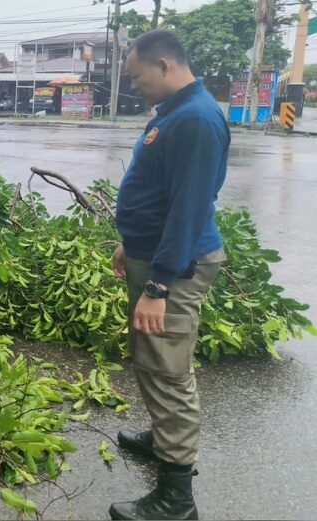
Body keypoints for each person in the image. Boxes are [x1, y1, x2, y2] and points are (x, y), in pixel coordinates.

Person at [109, 31, 230, 521]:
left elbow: (189, 209)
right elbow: (159, 190)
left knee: (167, 369)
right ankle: (163, 439)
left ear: (164, 65)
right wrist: (130, 240)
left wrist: (159, 286)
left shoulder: (196, 119)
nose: (134, 86)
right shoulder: (175, 112)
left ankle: (176, 499)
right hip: (153, 253)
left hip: (175, 268)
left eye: (137, 77)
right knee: (152, 356)